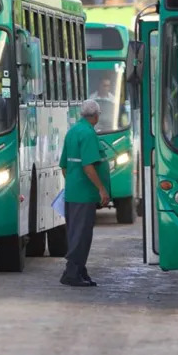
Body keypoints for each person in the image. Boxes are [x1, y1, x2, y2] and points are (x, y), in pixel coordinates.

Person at [58, 100, 111, 287]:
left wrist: (73, 183)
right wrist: (101, 188)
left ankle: (79, 270)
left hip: (73, 192)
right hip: (84, 194)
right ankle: (72, 273)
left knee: (75, 233)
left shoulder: (72, 131)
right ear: (96, 116)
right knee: (81, 235)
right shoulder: (88, 134)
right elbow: (88, 166)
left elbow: (64, 166)